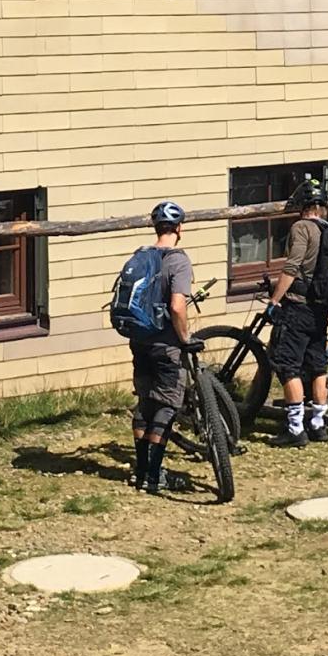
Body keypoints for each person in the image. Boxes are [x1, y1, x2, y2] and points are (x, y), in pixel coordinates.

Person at [112, 202, 198, 495]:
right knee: (168, 405)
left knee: (145, 404)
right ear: (179, 229)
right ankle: (152, 477)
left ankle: (140, 471)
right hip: (166, 345)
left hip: (139, 341)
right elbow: (177, 305)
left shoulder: (141, 256)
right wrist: (184, 337)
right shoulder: (178, 261)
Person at [265, 182, 328, 442]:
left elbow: (292, 267)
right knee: (318, 365)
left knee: (288, 364)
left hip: (299, 305)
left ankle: (295, 428)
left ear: (304, 207)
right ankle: (318, 423)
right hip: (321, 308)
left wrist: (275, 299)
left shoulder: (302, 227)